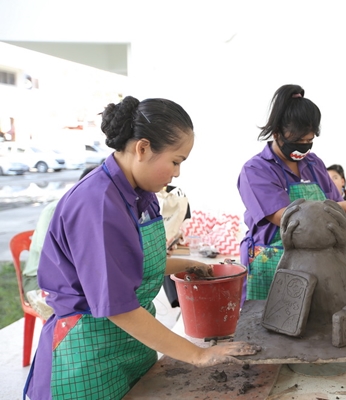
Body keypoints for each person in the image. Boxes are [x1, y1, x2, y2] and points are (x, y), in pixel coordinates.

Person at [25, 96, 260, 399]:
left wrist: (192, 266)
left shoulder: (141, 195)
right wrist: (198, 355)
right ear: (143, 148)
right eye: (176, 161)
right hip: (87, 351)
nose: (177, 173)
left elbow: (130, 265)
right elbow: (117, 306)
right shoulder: (98, 205)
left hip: (132, 342)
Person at [237, 84, 346, 301]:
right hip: (271, 261)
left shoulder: (313, 163)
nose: (303, 147)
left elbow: (337, 211)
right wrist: (343, 208)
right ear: (276, 133)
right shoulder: (256, 170)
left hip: (316, 261)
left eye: (309, 141)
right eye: (297, 141)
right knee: (270, 317)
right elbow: (287, 218)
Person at [22, 166, 97, 320]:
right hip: (39, 278)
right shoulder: (54, 209)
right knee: (88, 300)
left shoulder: (91, 210)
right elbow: (49, 253)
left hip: (72, 275)